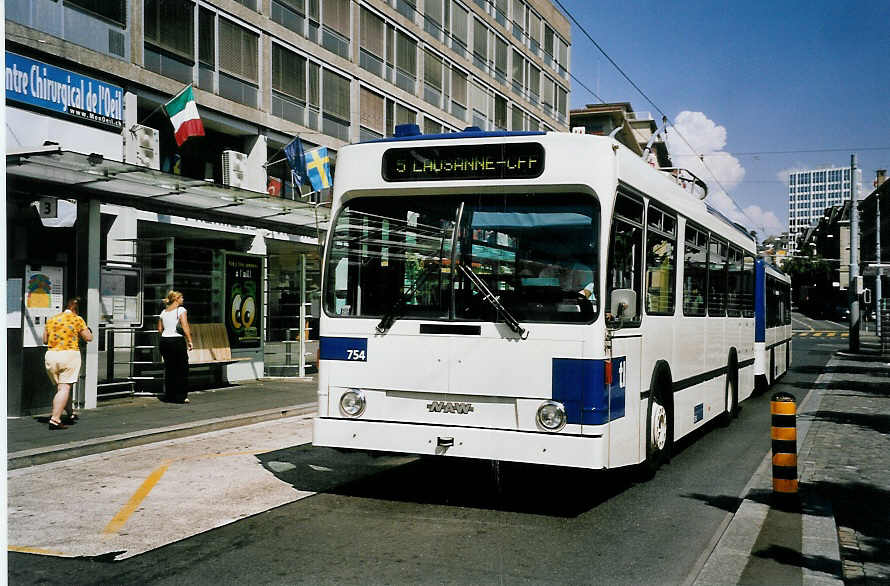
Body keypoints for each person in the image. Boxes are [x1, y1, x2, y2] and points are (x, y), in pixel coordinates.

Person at [43, 297, 94, 430]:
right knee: (65, 388)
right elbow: (88, 338)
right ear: (76, 309)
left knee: (62, 388)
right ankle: (55, 419)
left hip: (51, 355)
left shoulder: (52, 319)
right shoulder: (77, 319)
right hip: (69, 355)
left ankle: (70, 413)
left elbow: (44, 340)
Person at [157, 290, 194, 404]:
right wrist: (189, 340)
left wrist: (166, 335)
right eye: (181, 298)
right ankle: (181, 396)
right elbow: (185, 325)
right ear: (177, 299)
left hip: (164, 341)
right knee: (182, 368)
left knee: (170, 369)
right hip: (176, 340)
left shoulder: (163, 312)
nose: (183, 300)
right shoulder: (181, 310)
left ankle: (169, 395)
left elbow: (160, 329)